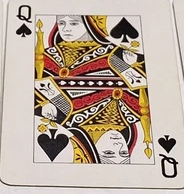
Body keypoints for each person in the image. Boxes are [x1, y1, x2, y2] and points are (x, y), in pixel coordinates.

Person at [34, 14, 151, 163]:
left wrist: (44, 105)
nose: (66, 29)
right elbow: (143, 87)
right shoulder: (47, 56)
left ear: (91, 24)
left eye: (73, 23)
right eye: (61, 23)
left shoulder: (113, 54)